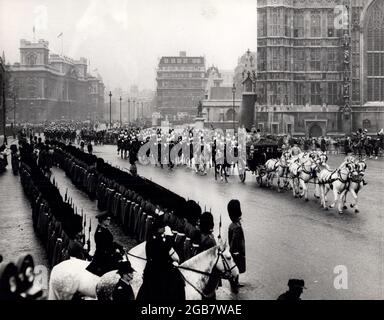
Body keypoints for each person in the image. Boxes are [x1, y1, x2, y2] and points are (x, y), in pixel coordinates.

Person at [137, 215, 185, 301]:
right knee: (178, 282)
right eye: (163, 227)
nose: (165, 229)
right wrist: (170, 236)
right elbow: (165, 249)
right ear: (160, 228)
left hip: (154, 267)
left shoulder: (155, 237)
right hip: (158, 269)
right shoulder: (156, 239)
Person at [227, 199, 246, 291]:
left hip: (233, 250)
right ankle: (234, 285)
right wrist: (236, 252)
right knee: (236, 267)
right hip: (236, 251)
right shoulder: (237, 227)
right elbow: (235, 241)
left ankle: (235, 283)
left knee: (235, 268)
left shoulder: (232, 225)